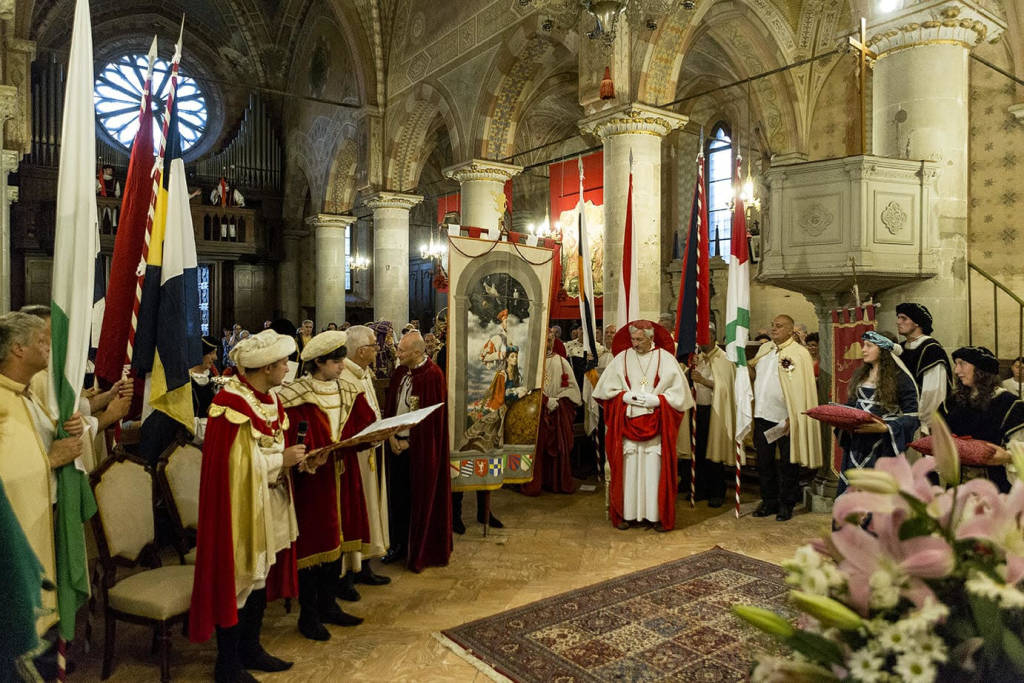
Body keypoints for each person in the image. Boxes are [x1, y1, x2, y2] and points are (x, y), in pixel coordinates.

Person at [189, 330, 304, 683]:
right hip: (239, 508)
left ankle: (251, 647)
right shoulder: (230, 404)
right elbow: (236, 466)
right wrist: (279, 461)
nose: (288, 367)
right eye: (283, 363)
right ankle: (227, 663)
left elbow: (270, 448)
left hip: (269, 501)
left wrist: (295, 461)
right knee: (240, 578)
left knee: (260, 576)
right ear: (266, 366)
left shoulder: (269, 398)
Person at [277, 331, 379, 640]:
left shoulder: (349, 390)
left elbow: (366, 423)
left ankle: (329, 605)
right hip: (312, 483)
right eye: (336, 362)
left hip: (342, 475)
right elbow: (287, 438)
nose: (341, 367)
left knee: (338, 543)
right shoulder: (293, 396)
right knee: (313, 547)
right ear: (318, 362)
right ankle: (309, 615)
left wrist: (376, 434)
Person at [0, 312, 84, 641]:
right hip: (18, 525)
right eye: (41, 340)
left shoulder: (26, 393)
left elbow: (42, 436)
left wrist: (72, 428)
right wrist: (48, 461)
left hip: (43, 512)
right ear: (18, 349)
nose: (48, 346)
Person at [593, 320, 693, 531]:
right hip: (628, 423)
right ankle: (627, 513)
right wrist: (626, 396)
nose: (635, 343)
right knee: (629, 471)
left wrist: (658, 401)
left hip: (655, 423)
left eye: (639, 339)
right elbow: (604, 392)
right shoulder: (622, 358)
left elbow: (680, 395)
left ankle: (655, 515)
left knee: (652, 471)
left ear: (651, 338)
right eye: (633, 339)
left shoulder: (665, 359)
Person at [383, 331, 452, 572]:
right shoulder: (401, 371)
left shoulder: (432, 375)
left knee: (418, 499)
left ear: (416, 352)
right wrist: (390, 436)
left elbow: (432, 422)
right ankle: (398, 545)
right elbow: (391, 406)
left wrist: (410, 443)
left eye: (401, 351)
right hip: (394, 444)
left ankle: (419, 549)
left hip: (419, 450)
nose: (397, 354)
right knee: (397, 499)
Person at [749, 314, 821, 521]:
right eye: (773, 325)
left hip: (786, 417)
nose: (774, 329)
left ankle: (786, 503)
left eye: (779, 326)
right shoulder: (765, 350)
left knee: (788, 463)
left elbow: (801, 388)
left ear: (791, 330)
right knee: (764, 462)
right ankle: (768, 501)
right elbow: (756, 376)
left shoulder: (800, 354)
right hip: (763, 414)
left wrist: (794, 415)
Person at [835, 332, 919, 496]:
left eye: (869, 345)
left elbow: (913, 416)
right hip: (856, 446)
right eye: (863, 344)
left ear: (883, 349)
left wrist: (885, 428)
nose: (863, 349)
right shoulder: (861, 375)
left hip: (883, 448)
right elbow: (851, 405)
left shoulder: (900, 379)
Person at [340, 326, 393, 585]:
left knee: (371, 506)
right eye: (374, 345)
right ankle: (351, 567)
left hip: (371, 451)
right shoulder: (346, 378)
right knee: (357, 508)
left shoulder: (362, 373)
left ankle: (364, 562)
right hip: (357, 457)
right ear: (362, 351)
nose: (378, 348)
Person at [940, 346, 1024, 492]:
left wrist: (1008, 456)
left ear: (981, 370)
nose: (956, 371)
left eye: (962, 364)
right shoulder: (953, 402)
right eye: (956, 364)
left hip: (996, 489)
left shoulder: (1010, 405)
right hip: (957, 489)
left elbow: (1020, 447)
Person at [522, 328, 583, 496]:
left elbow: (573, 388)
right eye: (544, 340)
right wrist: (544, 400)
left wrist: (559, 399)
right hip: (535, 413)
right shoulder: (531, 363)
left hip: (557, 411)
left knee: (557, 450)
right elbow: (525, 387)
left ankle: (555, 482)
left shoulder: (562, 362)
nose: (547, 343)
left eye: (550, 340)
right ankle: (534, 483)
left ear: (554, 341)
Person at [689, 330, 736, 507]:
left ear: (714, 338)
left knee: (714, 452)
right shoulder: (698, 358)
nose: (702, 341)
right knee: (699, 451)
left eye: (705, 337)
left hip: (715, 411)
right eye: (699, 337)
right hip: (697, 410)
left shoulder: (724, 358)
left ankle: (717, 492)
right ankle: (701, 488)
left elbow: (726, 388)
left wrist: (703, 381)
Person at [896, 302, 951, 426]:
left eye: (903, 318)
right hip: (901, 418)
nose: (898, 322)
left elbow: (933, 393)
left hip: (921, 421)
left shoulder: (931, 349)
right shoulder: (900, 349)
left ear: (917, 322)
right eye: (898, 318)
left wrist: (925, 424)